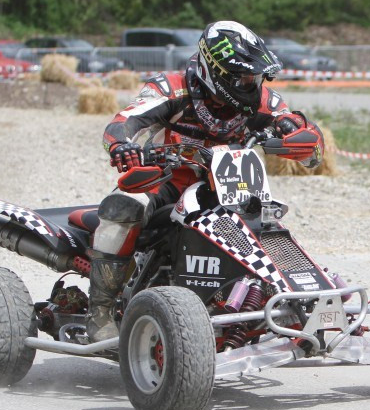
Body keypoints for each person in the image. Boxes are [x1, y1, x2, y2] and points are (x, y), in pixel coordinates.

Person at [86, 20, 324, 342]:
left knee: (266, 225)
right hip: (168, 179)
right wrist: (122, 146)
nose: (251, 84)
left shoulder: (262, 101)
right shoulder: (171, 89)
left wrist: (295, 131)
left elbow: (310, 146)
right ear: (217, 72)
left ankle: (283, 298)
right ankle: (100, 311)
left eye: (255, 77)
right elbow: (124, 122)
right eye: (243, 78)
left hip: (232, 188)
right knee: (122, 207)